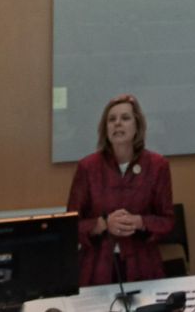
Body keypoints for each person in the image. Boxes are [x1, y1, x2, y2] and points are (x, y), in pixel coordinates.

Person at [67, 94, 175, 286]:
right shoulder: (88, 167)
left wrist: (140, 222)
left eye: (125, 118)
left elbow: (167, 221)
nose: (118, 124)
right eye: (112, 120)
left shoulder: (158, 166)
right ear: (105, 128)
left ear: (137, 126)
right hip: (97, 269)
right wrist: (102, 224)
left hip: (143, 266)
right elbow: (70, 225)